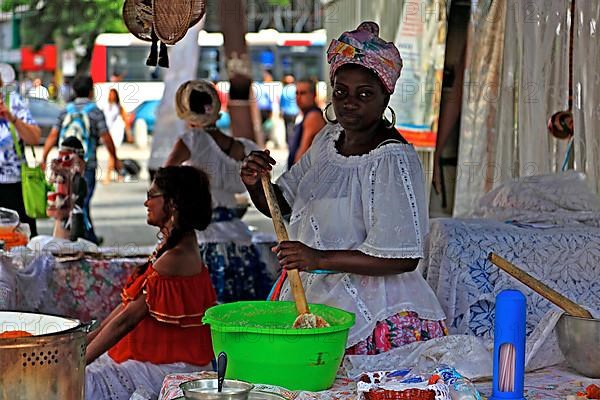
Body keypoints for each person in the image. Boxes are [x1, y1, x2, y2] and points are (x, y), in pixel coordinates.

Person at [241, 22, 447, 355]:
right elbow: (283, 206)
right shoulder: (327, 141)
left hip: (378, 317)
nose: (349, 103)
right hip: (317, 303)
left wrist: (317, 257)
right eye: (341, 92)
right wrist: (256, 184)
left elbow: (404, 257)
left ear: (386, 95)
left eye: (364, 94)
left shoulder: (391, 158)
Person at [85, 165, 216, 399]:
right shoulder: (173, 247)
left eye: (151, 196)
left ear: (173, 203)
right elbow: (125, 308)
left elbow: (126, 320)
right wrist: (82, 344)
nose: (146, 203)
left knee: (84, 383)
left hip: (171, 368)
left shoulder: (175, 258)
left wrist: (77, 360)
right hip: (160, 360)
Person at [164, 80, 273, 302]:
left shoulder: (191, 141)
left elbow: (165, 180)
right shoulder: (246, 147)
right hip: (240, 235)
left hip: (205, 237)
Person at [42, 75, 121, 245]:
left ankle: (84, 236)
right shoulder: (94, 111)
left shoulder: (66, 110)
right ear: (91, 91)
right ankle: (83, 239)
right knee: (81, 201)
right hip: (87, 164)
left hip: (65, 165)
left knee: (74, 201)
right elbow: (106, 137)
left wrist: (44, 156)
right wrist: (115, 158)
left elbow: (54, 135)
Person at [0, 73, 42, 237]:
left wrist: (11, 118)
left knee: (22, 243)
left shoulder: (13, 102)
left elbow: (35, 137)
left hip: (15, 186)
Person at [287, 78, 326, 169]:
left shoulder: (313, 116)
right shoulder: (306, 115)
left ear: (313, 95)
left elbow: (302, 152)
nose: (298, 97)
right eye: (297, 93)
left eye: (303, 93)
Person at [103, 88, 133, 183]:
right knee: (113, 154)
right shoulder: (106, 107)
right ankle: (120, 173)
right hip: (108, 132)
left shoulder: (119, 107)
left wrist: (129, 134)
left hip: (116, 132)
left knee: (111, 154)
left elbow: (126, 121)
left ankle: (108, 175)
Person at [279, 73, 299, 149]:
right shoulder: (295, 89)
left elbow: (281, 103)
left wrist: (280, 112)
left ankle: (289, 143)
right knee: (293, 127)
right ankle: (293, 142)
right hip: (295, 111)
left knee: (287, 128)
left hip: (286, 112)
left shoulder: (284, 90)